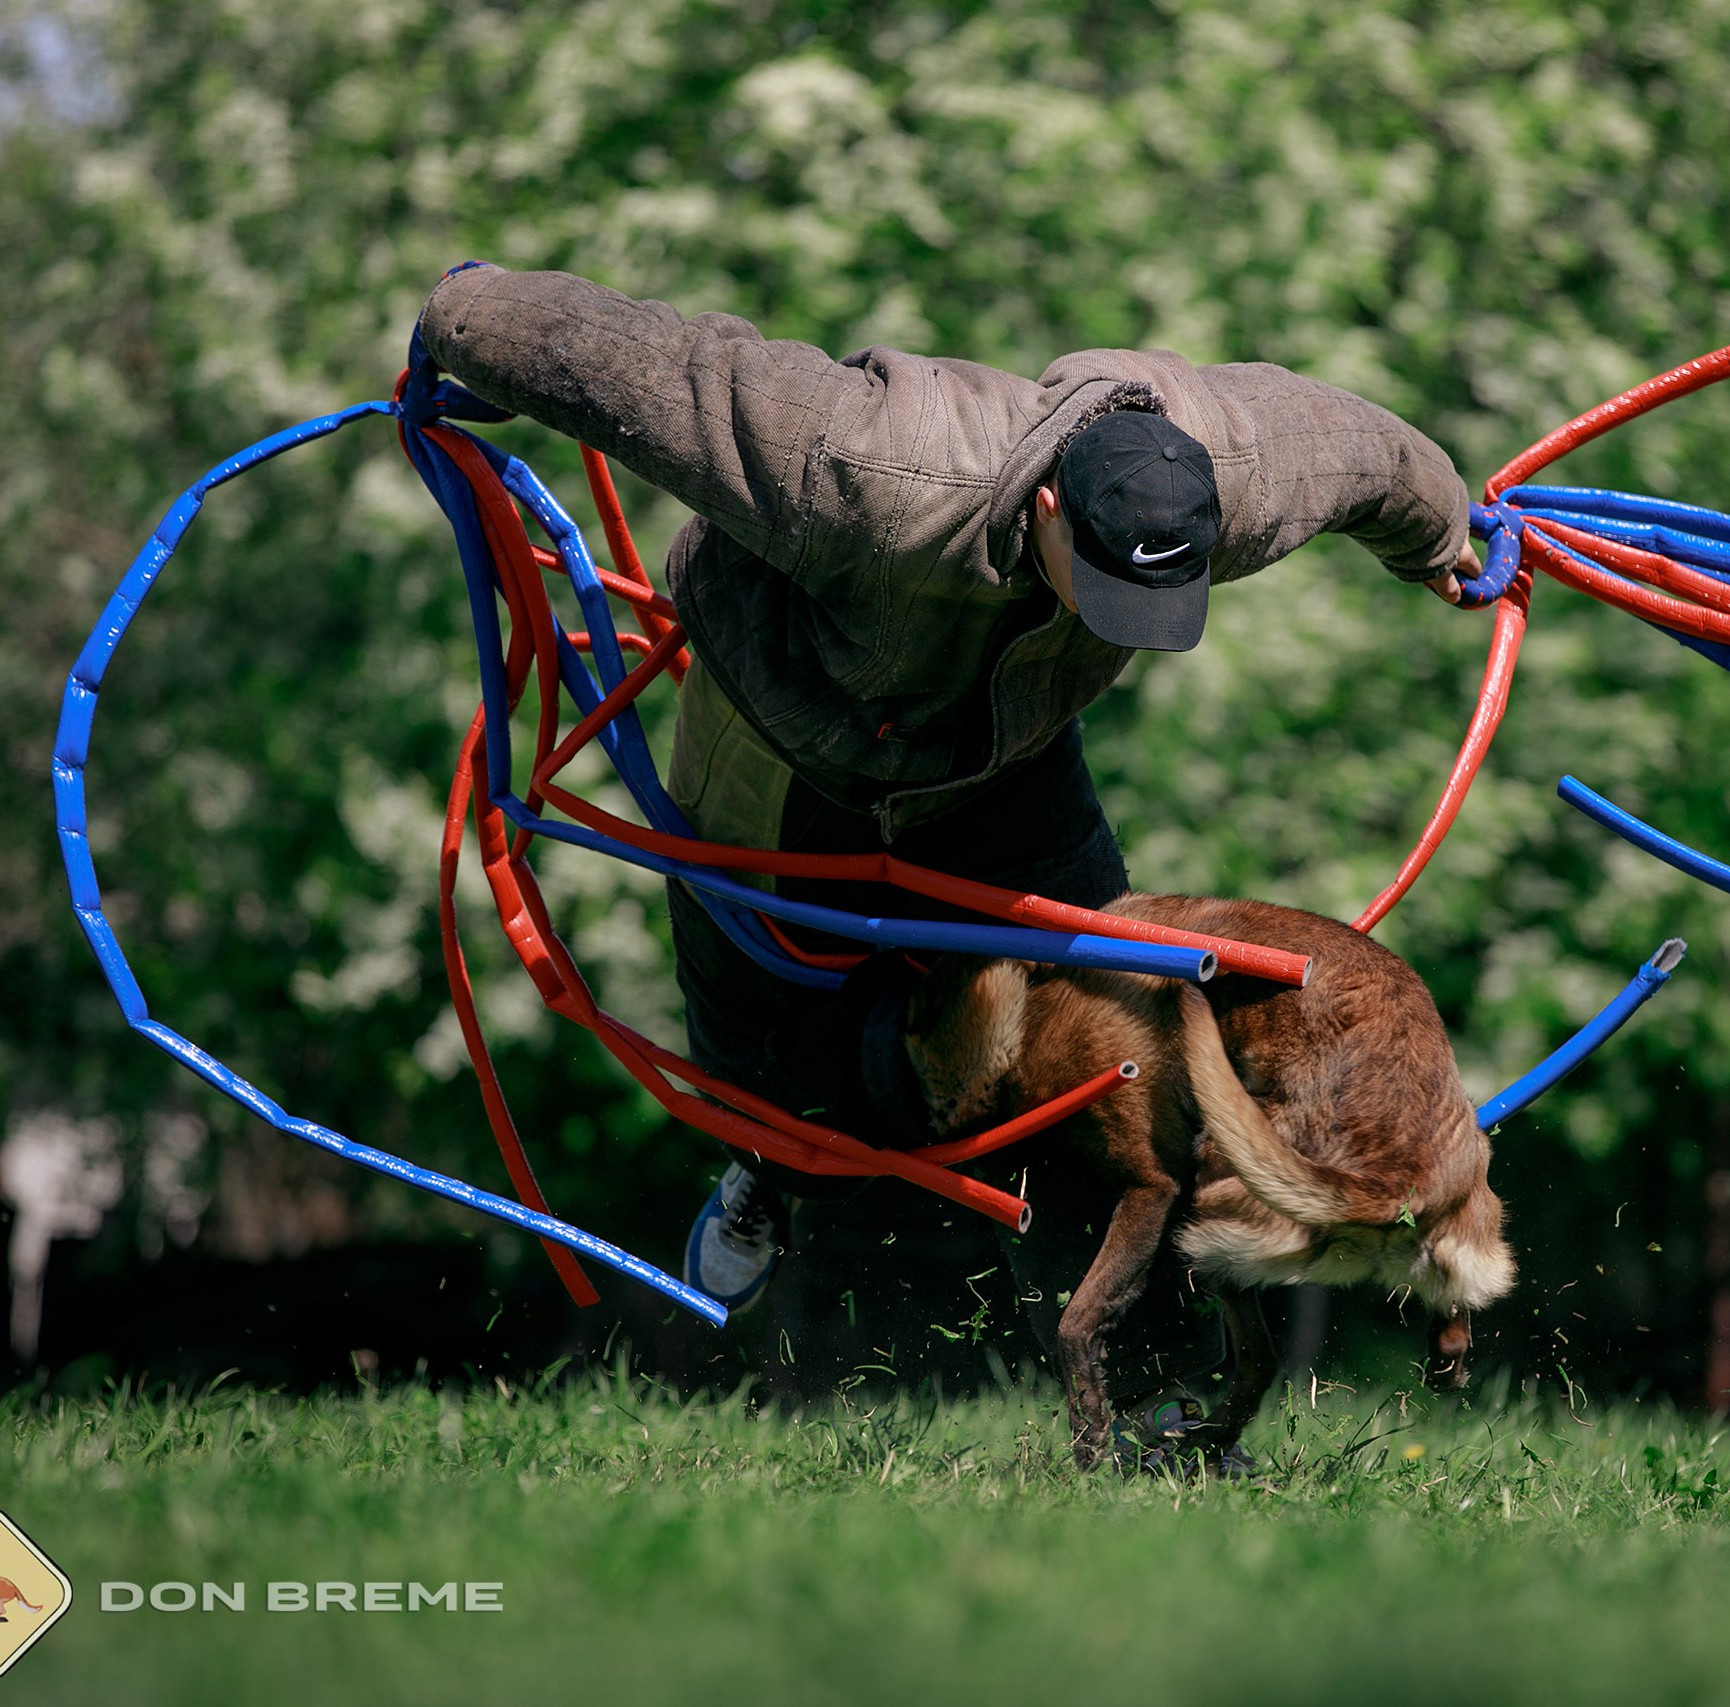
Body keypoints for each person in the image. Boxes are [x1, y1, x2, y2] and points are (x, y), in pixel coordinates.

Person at [416, 264, 1477, 1317]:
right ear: (1051, 507)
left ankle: (1135, 1352)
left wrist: (1441, 541)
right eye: (1105, 588)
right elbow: (669, 371)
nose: (1126, 624)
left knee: (1106, 990)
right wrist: (461, 320)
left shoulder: (1221, 473)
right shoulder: (863, 463)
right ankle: (765, 1174)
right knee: (753, 1011)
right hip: (787, 722)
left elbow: (1363, 453)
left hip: (1004, 740)